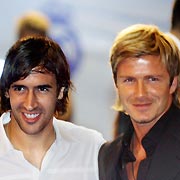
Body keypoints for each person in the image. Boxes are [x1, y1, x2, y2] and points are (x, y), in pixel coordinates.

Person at [0, 36, 105, 180]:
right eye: (20, 89)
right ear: (6, 91)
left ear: (61, 91)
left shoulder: (91, 148)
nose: (30, 104)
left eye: (42, 89)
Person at [98, 24, 180, 180]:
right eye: (129, 80)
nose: (140, 93)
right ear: (117, 85)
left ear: (173, 83)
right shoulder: (107, 156)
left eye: (152, 79)